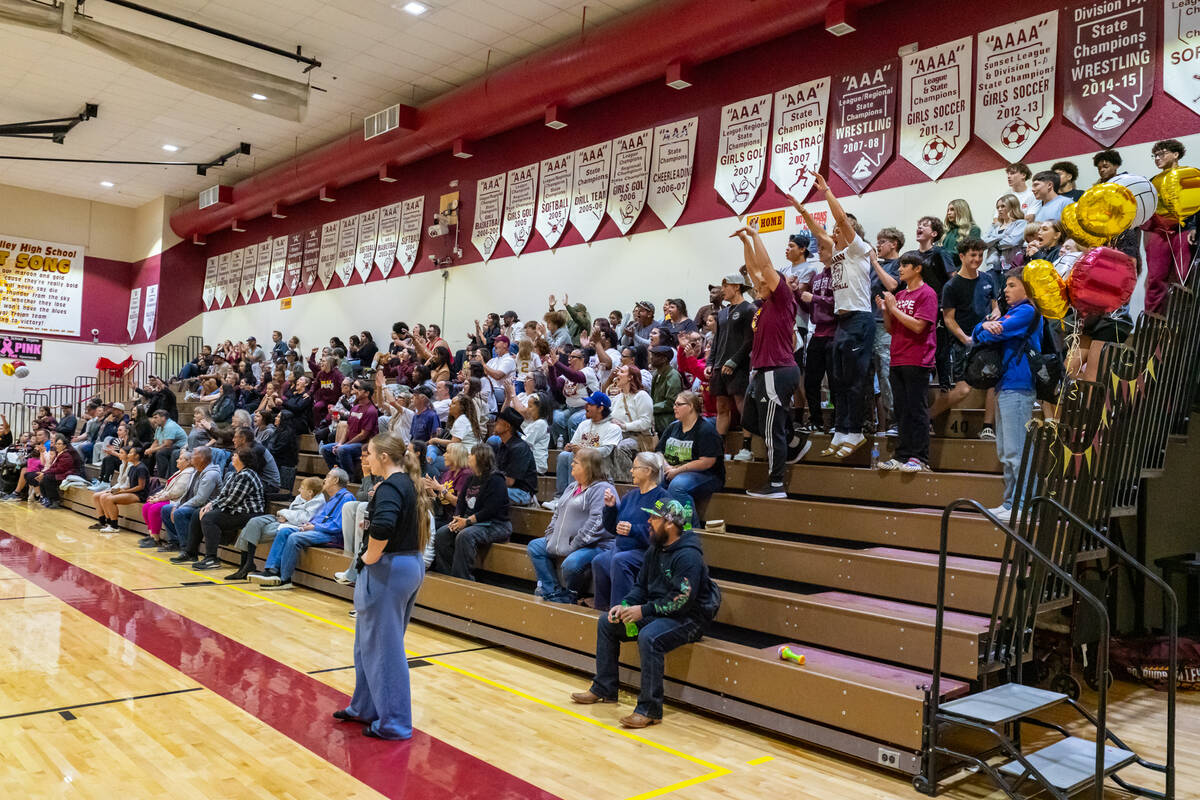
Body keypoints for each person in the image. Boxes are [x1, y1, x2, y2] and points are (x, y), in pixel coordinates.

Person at [571, 498, 720, 729]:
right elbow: (640, 587)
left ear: (670, 524)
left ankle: (650, 709)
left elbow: (681, 600)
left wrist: (644, 610)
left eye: (654, 517)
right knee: (607, 623)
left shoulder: (689, 556)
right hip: (660, 612)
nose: (648, 521)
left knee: (649, 636)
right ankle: (604, 688)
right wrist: (625, 604)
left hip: (689, 619)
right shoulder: (654, 550)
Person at [336, 432, 430, 740]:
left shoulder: (391, 486)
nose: (366, 459)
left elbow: (384, 525)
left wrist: (369, 555)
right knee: (368, 643)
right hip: (407, 564)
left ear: (384, 458)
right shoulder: (408, 483)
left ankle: (394, 723)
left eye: (370, 454)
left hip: (389, 568)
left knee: (384, 649)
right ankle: (365, 707)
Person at [810, 171, 874, 458]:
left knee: (854, 379)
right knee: (838, 379)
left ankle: (856, 430)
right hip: (843, 321)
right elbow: (817, 232)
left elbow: (841, 221)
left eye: (838, 231)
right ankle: (841, 428)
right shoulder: (835, 253)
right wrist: (801, 209)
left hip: (860, 318)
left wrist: (826, 192)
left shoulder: (859, 249)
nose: (833, 234)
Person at [972, 270, 1042, 521]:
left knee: (1017, 449)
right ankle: (1011, 501)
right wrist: (984, 325)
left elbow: (994, 332)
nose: (1006, 290)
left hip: (1019, 385)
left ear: (1027, 289)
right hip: (1005, 385)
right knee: (1005, 449)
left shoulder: (1026, 312)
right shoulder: (1011, 312)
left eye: (1012, 285)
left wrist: (986, 327)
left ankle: (1026, 505)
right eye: (1005, 286)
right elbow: (977, 333)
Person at [527, 447, 614, 604]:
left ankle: (572, 594)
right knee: (535, 546)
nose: (572, 465)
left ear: (588, 467)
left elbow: (597, 522)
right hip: (564, 542)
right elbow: (557, 513)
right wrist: (551, 536)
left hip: (596, 546)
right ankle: (552, 591)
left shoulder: (602, 489)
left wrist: (574, 544)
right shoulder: (572, 487)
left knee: (571, 563)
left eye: (576, 462)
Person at [877, 254, 938, 472]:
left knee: (916, 409)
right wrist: (886, 312)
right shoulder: (900, 295)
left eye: (905, 265)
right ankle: (902, 455)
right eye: (900, 265)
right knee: (901, 410)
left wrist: (893, 309)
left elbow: (919, 327)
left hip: (918, 359)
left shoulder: (927, 294)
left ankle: (919, 457)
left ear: (918, 268)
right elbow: (891, 329)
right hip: (898, 358)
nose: (900, 269)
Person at [248, 469, 354, 589]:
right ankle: (272, 570)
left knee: (294, 537)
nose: (325, 479)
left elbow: (338, 525)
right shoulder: (332, 498)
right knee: (285, 531)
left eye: (328, 476)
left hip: (331, 536)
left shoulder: (346, 497)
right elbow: (319, 518)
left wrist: (314, 527)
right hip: (319, 531)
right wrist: (308, 525)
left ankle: (285, 579)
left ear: (335, 480)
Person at [929, 237, 999, 420]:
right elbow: (949, 319)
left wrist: (996, 314)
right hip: (963, 344)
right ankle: (926, 418)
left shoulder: (988, 279)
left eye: (980, 255)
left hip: (987, 341)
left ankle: (988, 427)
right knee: (963, 389)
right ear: (961, 256)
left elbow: (995, 305)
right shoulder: (952, 286)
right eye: (972, 255)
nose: (977, 259)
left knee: (994, 381)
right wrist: (965, 339)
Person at [591, 451, 670, 612]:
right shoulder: (630, 496)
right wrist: (611, 508)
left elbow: (662, 534)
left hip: (647, 552)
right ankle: (601, 608)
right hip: (622, 548)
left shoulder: (662, 498)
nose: (631, 471)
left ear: (648, 471)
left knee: (620, 560)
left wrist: (633, 530)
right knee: (599, 561)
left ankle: (621, 611)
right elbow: (613, 528)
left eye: (635, 468)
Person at [171, 447, 264, 570]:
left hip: (249, 513)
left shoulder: (247, 475)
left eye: (235, 455)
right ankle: (191, 553)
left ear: (243, 460)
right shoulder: (234, 475)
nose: (232, 457)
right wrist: (209, 505)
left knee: (209, 518)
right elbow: (222, 496)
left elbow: (233, 500)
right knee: (197, 513)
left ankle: (211, 558)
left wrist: (212, 506)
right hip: (235, 510)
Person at [432, 442, 512, 580]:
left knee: (465, 535)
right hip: (473, 522)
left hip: (496, 524)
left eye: (471, 455)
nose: (468, 457)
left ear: (480, 458)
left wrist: (467, 521)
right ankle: (447, 576)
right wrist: (456, 519)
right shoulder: (471, 478)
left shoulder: (496, 479)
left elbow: (490, 510)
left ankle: (463, 579)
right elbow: (461, 503)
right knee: (442, 533)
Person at [226, 476, 324, 580]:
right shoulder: (301, 497)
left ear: (310, 492)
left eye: (302, 488)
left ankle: (245, 566)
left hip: (291, 525)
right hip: (283, 520)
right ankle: (248, 564)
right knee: (253, 522)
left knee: (250, 531)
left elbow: (303, 518)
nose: (299, 490)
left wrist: (284, 513)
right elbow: (294, 513)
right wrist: (285, 515)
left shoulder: (318, 502)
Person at [1145, 139, 1198, 313]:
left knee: (1183, 276)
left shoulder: (1189, 175)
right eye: (1155, 155)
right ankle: (1153, 322)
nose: (1157, 158)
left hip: (1184, 229)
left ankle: (1181, 321)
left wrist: (1196, 226)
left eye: (1162, 153)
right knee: (1155, 277)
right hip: (1160, 233)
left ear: (1176, 155)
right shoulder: (1152, 181)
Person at [708, 273, 755, 458]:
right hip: (720, 366)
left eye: (725, 286)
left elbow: (749, 340)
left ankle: (747, 447)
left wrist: (734, 361)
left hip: (739, 366)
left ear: (737, 286)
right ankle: (722, 449)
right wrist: (711, 362)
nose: (722, 290)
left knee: (742, 405)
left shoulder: (748, 309)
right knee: (721, 407)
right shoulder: (722, 312)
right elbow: (717, 340)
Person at [656, 390, 723, 518]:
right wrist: (668, 467)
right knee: (653, 484)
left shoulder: (706, 430)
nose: (674, 407)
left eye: (678, 404)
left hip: (707, 475)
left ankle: (689, 529)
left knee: (677, 486)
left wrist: (678, 470)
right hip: (674, 471)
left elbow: (707, 462)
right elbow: (659, 452)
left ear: (691, 406)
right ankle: (662, 526)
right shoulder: (672, 427)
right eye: (674, 404)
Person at [870, 229, 904, 435]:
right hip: (869, 324)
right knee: (872, 378)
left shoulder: (900, 264)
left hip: (887, 325)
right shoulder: (878, 266)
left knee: (886, 373)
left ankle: (896, 420)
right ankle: (877, 422)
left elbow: (892, 285)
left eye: (882, 242)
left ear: (894, 244)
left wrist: (874, 262)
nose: (878, 246)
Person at [158, 446, 223, 552]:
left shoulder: (211, 474)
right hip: (196, 504)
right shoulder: (196, 472)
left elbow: (200, 499)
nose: (191, 456)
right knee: (166, 509)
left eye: (194, 454)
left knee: (180, 512)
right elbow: (186, 494)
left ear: (201, 458)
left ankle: (187, 548)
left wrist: (180, 506)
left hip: (206, 507)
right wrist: (176, 505)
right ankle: (175, 542)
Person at [319, 379, 379, 478]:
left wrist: (345, 444)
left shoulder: (371, 410)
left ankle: (349, 478)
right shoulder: (354, 408)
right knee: (325, 449)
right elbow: (348, 428)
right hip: (350, 442)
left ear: (367, 393)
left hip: (364, 445)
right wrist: (340, 443)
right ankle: (338, 475)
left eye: (357, 389)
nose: (354, 391)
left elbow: (364, 434)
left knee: (342, 450)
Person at [138, 449, 195, 548]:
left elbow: (176, 492)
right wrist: (157, 496)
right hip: (169, 497)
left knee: (154, 508)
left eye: (180, 459)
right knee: (146, 506)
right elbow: (167, 488)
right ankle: (151, 535)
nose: (177, 460)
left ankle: (156, 539)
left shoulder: (188, 473)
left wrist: (158, 499)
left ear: (188, 462)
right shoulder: (180, 472)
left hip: (177, 500)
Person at [92, 445, 148, 530]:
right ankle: (108, 523)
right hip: (129, 491)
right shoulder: (133, 467)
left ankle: (114, 526)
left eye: (130, 453)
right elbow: (127, 483)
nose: (128, 455)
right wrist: (117, 490)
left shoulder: (141, 468)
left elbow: (140, 487)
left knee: (109, 499)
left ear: (137, 456)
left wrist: (122, 491)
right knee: (104, 497)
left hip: (138, 494)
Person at [492, 407, 538, 506]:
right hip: (508, 489)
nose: (495, 424)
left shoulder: (519, 448)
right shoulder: (503, 445)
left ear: (507, 426)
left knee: (487, 492)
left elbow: (509, 481)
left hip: (522, 493)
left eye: (498, 422)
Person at [28, 434, 82, 511]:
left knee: (47, 478)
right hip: (60, 472)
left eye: (59, 444)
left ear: (64, 446)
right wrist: (44, 473)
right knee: (42, 478)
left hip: (67, 474)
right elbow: (53, 467)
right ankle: (47, 499)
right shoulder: (59, 453)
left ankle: (55, 500)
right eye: (56, 444)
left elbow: (60, 469)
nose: (57, 445)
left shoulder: (66, 455)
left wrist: (45, 473)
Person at [983, 194, 1027, 279]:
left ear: (1012, 206)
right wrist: (1002, 237)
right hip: (992, 267)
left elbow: (1012, 241)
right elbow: (983, 242)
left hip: (1012, 267)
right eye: (998, 207)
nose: (999, 209)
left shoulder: (1021, 223)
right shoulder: (994, 226)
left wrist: (993, 243)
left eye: (1003, 206)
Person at [146, 409, 188, 478]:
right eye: (153, 418)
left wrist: (152, 450)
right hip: (171, 446)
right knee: (148, 451)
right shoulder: (159, 426)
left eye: (156, 417)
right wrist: (150, 449)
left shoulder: (170, 426)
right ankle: (149, 474)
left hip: (180, 446)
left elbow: (167, 444)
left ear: (163, 417)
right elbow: (156, 441)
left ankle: (162, 477)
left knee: (160, 453)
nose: (154, 420)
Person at [941, 199, 982, 269]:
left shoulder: (973, 230)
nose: (948, 213)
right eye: (948, 210)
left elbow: (971, 255)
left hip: (961, 273)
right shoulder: (945, 232)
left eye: (952, 210)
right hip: (943, 273)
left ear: (961, 211)